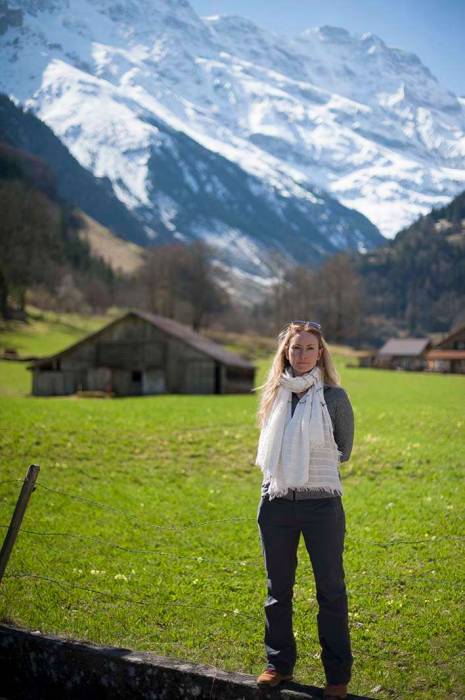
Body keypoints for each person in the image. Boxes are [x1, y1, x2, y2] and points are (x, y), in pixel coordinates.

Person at [255, 320, 354, 699]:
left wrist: (308, 463)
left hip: (321, 506)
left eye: (309, 348)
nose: (301, 355)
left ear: (321, 353)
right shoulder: (273, 395)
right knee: (277, 590)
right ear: (285, 353)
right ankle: (278, 665)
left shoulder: (334, 398)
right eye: (295, 349)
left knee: (330, 590)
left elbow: (343, 450)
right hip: (276, 502)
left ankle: (337, 677)